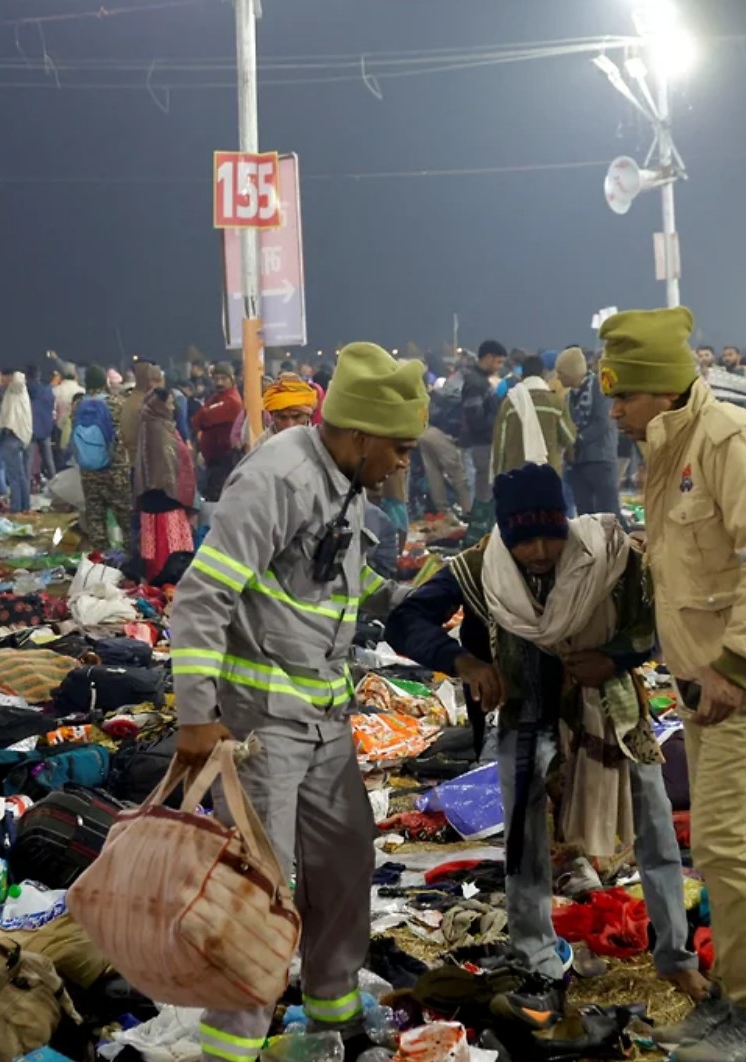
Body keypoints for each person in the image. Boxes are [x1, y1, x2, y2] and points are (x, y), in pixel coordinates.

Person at [169, 342, 426, 1061]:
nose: (403, 463)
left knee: (345, 864)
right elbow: (201, 596)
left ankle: (331, 1010)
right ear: (361, 434)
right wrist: (196, 718)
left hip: (323, 724)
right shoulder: (277, 479)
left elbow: (331, 592)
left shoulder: (346, 485)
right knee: (260, 890)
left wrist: (415, 601)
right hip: (259, 731)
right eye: (399, 448)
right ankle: (233, 1043)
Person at [598, 307, 746, 1062]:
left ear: (662, 391)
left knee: (728, 845)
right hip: (705, 677)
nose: (614, 412)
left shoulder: (733, 441)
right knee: (719, 848)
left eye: (624, 397)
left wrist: (733, 664)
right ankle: (734, 1003)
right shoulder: (672, 448)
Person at [384, 463, 705, 1002]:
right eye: (523, 540)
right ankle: (535, 956)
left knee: (654, 830)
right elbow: (406, 621)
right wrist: (466, 664)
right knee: (524, 845)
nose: (537, 551)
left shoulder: (608, 555)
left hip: (613, 716)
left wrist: (613, 657)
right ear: (504, 535)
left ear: (566, 523)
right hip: (528, 720)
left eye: (548, 536)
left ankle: (675, 954)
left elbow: (659, 620)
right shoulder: (479, 568)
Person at [134, 387, 196, 582]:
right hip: (166, 499)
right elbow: (169, 468)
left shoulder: (152, 423)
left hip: (153, 498)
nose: (172, 407)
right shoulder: (159, 428)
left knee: (156, 548)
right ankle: (168, 579)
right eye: (169, 402)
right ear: (160, 406)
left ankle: (160, 579)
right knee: (169, 550)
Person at [74, 366, 133, 552]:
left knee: (96, 520)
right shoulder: (117, 404)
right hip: (116, 470)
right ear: (104, 382)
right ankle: (132, 562)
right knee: (126, 519)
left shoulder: (78, 406)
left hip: (89, 471)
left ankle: (103, 562)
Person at [492, 352, 575, 476]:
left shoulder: (509, 403)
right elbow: (569, 437)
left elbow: (500, 444)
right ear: (544, 374)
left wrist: (498, 476)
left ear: (522, 375)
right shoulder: (555, 403)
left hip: (516, 475)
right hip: (548, 475)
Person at [560, 346, 619, 516]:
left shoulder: (601, 387)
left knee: (609, 513)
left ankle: (618, 543)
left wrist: (576, 439)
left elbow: (604, 422)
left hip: (601, 459)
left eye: (561, 373)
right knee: (585, 515)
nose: (558, 377)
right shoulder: (569, 395)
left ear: (571, 372)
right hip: (578, 462)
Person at [463, 340, 508, 537]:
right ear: (488, 358)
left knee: (488, 492)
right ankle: (478, 538)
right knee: (484, 493)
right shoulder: (474, 383)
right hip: (483, 446)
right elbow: (476, 419)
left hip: (488, 444)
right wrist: (497, 419)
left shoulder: (482, 380)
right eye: (498, 362)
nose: (499, 367)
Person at [419, 362, 473, 518]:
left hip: (425, 431)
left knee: (434, 473)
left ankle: (443, 513)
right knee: (458, 474)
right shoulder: (465, 387)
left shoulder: (443, 388)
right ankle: (468, 511)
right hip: (441, 434)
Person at [193, 363, 244, 503]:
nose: (219, 382)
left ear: (231, 379)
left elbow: (200, 419)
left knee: (218, 501)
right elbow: (199, 418)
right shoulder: (217, 397)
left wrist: (205, 413)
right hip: (214, 462)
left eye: (223, 378)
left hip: (223, 461)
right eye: (216, 379)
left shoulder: (231, 401)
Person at [0, 371, 34, 513]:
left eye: (4, 377)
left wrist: (14, 377)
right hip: (19, 435)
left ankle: (16, 506)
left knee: (14, 475)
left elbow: (17, 380)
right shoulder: (18, 392)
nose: (2, 381)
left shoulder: (16, 388)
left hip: (12, 435)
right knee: (20, 474)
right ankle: (25, 505)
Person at [26, 364, 58, 483]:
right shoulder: (47, 390)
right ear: (39, 375)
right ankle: (56, 486)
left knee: (28, 462)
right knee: (49, 461)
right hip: (45, 428)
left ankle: (27, 487)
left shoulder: (25, 391)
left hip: (30, 429)